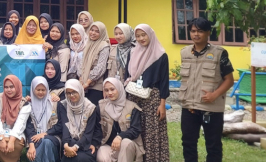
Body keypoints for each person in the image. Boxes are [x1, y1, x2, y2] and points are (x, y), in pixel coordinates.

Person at [180, 17, 234, 162]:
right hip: (189, 107)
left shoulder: (219, 53)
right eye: (192, 31)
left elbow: (229, 80)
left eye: (200, 31)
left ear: (208, 33)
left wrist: (214, 95)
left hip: (211, 108)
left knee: (213, 145)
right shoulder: (184, 53)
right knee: (188, 144)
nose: (196, 34)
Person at [125, 24, 170, 162]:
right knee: (134, 128)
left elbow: (164, 81)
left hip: (152, 98)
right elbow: (129, 75)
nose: (141, 38)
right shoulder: (132, 53)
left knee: (151, 133)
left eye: (143, 35)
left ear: (150, 34)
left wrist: (162, 104)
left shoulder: (160, 55)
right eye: (137, 36)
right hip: (134, 97)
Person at [0, 75, 32, 162]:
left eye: (12, 87)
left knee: (17, 144)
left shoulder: (24, 104)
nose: (9, 90)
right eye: (6, 87)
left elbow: (19, 125)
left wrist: (10, 141)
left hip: (15, 133)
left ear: (17, 87)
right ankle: (7, 158)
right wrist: (2, 138)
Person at [97, 78, 144, 162]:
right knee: (103, 158)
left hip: (129, 146)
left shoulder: (132, 107)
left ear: (119, 88)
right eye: (106, 90)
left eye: (112, 89)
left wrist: (120, 137)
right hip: (108, 145)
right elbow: (96, 128)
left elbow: (135, 129)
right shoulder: (101, 106)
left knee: (125, 143)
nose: (110, 93)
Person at [61, 79, 100, 162]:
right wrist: (66, 145)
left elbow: (89, 132)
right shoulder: (64, 105)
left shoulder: (90, 108)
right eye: (68, 93)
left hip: (86, 144)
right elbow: (65, 128)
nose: (71, 95)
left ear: (80, 90)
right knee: (67, 157)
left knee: (79, 158)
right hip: (70, 142)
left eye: (74, 92)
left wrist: (76, 147)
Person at [25, 76, 63, 162]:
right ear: (33, 90)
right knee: (43, 144)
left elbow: (60, 125)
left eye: (43, 90)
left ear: (47, 90)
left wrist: (45, 133)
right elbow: (28, 128)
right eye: (38, 90)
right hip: (34, 138)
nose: (41, 92)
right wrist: (31, 145)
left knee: (46, 142)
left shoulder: (54, 104)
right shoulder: (28, 106)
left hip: (53, 137)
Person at [77, 21, 110, 105]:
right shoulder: (88, 44)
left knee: (93, 111)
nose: (93, 33)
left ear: (102, 33)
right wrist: (81, 79)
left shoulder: (104, 45)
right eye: (92, 30)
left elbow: (101, 67)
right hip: (83, 84)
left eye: (97, 31)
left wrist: (88, 82)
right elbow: (81, 62)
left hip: (95, 86)